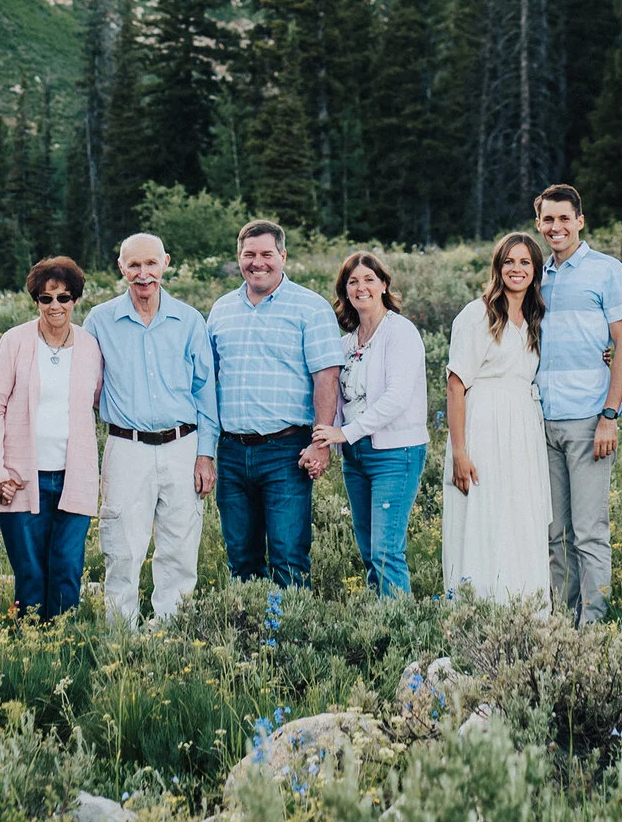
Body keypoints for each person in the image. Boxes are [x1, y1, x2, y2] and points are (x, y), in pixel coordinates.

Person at [85, 231, 217, 626]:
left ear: (166, 263)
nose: (144, 274)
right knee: (122, 546)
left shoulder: (190, 320)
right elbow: (88, 387)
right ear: (121, 267)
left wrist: (205, 454)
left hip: (183, 444)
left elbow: (205, 393)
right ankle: (121, 635)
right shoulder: (100, 320)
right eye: (134, 265)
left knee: (179, 546)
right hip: (126, 447)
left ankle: (170, 633)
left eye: (151, 264)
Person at [206, 220, 346, 586]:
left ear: (283, 256)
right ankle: (250, 633)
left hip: (285, 450)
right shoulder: (221, 310)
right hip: (232, 451)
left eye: (267, 254)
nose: (258, 263)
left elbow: (326, 378)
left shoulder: (310, 308)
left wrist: (321, 443)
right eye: (249, 255)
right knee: (240, 555)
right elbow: (207, 381)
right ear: (239, 257)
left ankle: (290, 637)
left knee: (288, 555)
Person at [532, 184, 622, 626]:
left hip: (589, 418)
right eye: (547, 220)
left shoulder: (606, 271)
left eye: (564, 218)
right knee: (553, 532)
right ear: (538, 224)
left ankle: (592, 624)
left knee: (589, 532)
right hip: (540, 420)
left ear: (580, 220)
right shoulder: (534, 274)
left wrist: (610, 415)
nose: (556, 227)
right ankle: (560, 618)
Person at [0, 257, 104, 620]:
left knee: (67, 567)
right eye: (46, 298)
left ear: (75, 300)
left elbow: (100, 403)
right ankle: (30, 650)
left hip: (74, 476)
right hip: (20, 478)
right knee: (31, 574)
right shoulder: (15, 341)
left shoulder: (89, 346)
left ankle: (63, 648)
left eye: (64, 298)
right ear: (36, 300)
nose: (55, 306)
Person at [441, 232, 552, 605]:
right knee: (485, 515)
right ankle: (481, 605)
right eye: (509, 261)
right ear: (497, 267)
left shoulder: (536, 317)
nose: (516, 269)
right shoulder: (478, 314)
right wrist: (460, 451)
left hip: (523, 427)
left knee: (520, 515)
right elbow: (456, 385)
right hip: (483, 425)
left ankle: (524, 607)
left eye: (524, 262)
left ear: (535, 269)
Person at [312, 250, 429, 596]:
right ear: (345, 290)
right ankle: (379, 630)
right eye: (352, 282)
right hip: (356, 456)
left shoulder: (400, 332)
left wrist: (343, 433)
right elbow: (336, 396)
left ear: (383, 285)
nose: (361, 287)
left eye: (368, 279)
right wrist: (323, 441)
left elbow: (395, 398)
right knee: (368, 551)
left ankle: (403, 634)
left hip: (395, 453)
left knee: (385, 551)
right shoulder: (347, 342)